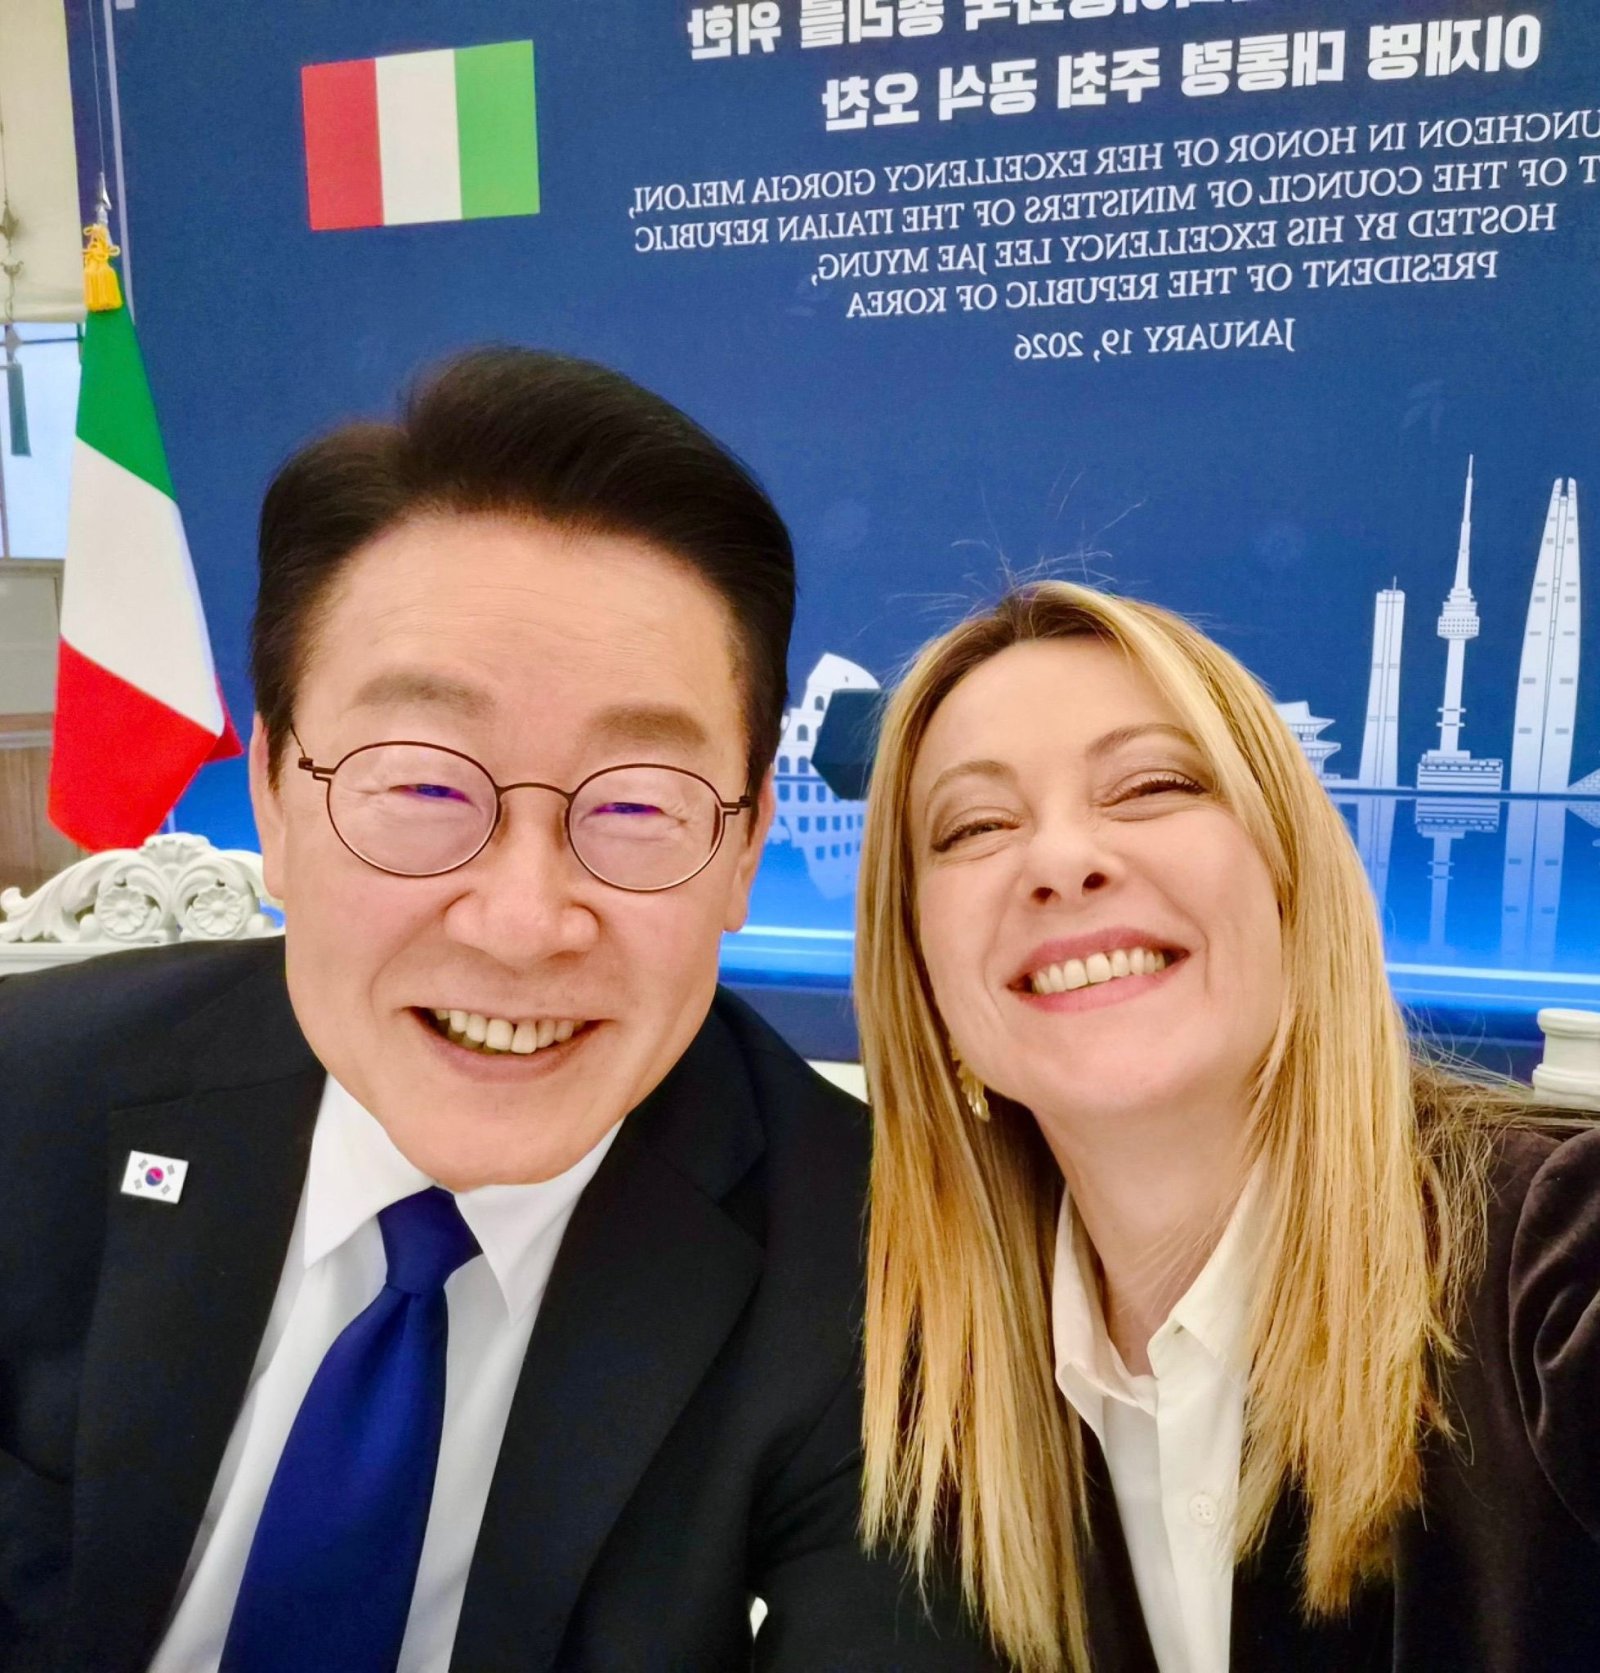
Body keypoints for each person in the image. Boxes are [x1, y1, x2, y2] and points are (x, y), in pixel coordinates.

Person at [0, 349, 996, 1673]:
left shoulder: (893, 1266)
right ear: (277, 799)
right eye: (423, 786)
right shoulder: (30, 1096)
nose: (524, 922)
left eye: (635, 803)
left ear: (746, 846)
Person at [853, 580, 1600, 1673]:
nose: (1059, 860)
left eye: (1151, 785)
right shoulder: (923, 1393)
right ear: (923, 978)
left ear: (1293, 885)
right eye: (975, 826)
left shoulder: (1557, 1253)